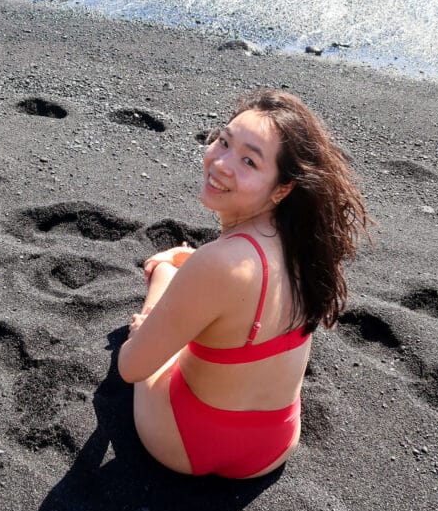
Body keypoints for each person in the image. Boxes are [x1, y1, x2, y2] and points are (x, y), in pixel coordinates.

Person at [118, 88, 371, 479]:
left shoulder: (218, 263)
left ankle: (163, 270)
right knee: (189, 285)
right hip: (273, 447)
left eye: (249, 161)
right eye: (223, 141)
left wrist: (147, 320)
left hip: (184, 441)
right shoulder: (306, 245)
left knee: (164, 272)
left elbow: (130, 367)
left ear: (284, 187)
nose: (220, 163)